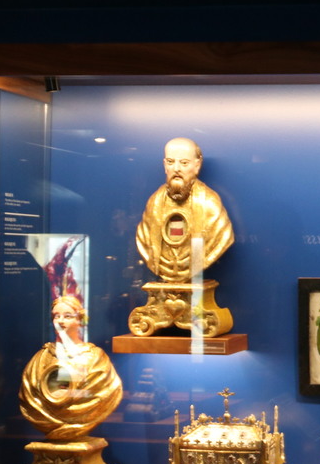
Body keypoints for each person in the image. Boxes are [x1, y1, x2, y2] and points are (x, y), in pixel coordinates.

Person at [19, 295, 123, 440]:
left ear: (79, 320)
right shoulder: (41, 358)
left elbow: (102, 394)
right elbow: (30, 395)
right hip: (45, 421)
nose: (60, 321)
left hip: (84, 426)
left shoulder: (96, 358)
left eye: (68, 316)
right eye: (56, 316)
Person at [136, 137, 234, 283]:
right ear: (165, 166)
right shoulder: (154, 203)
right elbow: (144, 239)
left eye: (184, 163)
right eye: (171, 162)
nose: (176, 169)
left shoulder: (209, 204)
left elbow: (223, 239)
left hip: (196, 281)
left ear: (197, 165)